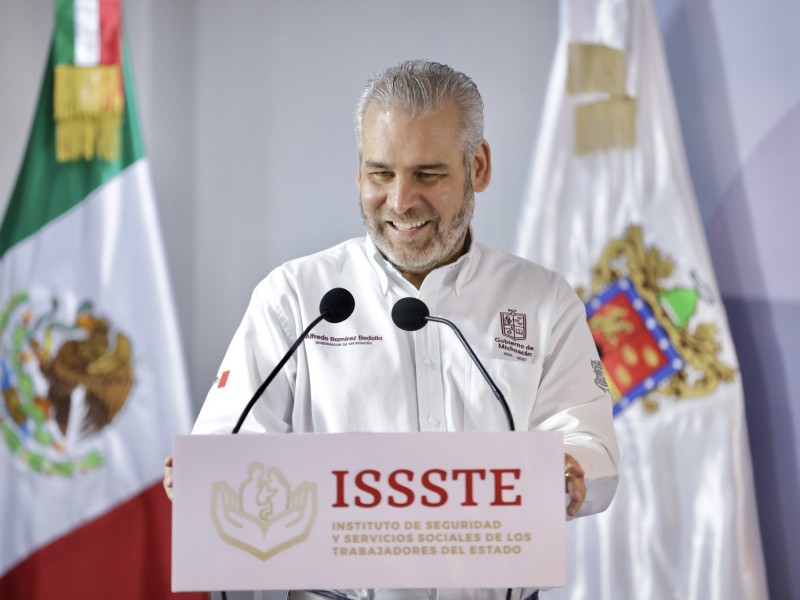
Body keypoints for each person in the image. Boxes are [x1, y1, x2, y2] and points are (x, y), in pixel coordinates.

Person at [163, 59, 619, 600]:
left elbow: (591, 447)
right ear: (359, 171)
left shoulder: (542, 301)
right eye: (381, 173)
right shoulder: (296, 298)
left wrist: (567, 473)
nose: (401, 201)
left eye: (428, 174)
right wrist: (206, 473)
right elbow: (229, 440)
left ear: (479, 166)